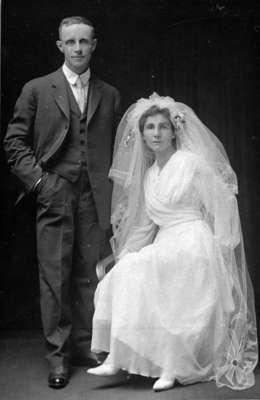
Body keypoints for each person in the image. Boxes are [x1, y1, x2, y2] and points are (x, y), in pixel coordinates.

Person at [87, 93, 258, 392]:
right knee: (129, 269)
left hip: (194, 240)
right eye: (150, 128)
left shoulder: (191, 163)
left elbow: (223, 203)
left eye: (162, 127)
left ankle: (172, 366)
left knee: (165, 271)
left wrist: (222, 249)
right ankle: (117, 355)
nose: (156, 133)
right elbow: (145, 224)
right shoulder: (149, 175)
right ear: (141, 135)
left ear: (174, 130)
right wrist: (126, 252)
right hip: (167, 241)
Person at [4, 16, 121, 389]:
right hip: (54, 193)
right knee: (54, 277)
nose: (78, 49)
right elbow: (14, 142)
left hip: (94, 197)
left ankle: (88, 347)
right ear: (60, 46)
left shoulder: (110, 94)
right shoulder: (38, 89)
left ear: (94, 44)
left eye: (84, 42)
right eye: (71, 42)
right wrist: (40, 182)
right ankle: (58, 358)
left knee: (90, 275)